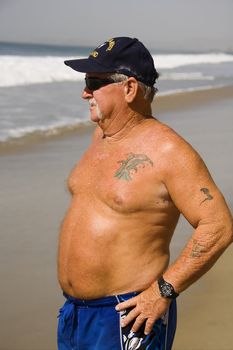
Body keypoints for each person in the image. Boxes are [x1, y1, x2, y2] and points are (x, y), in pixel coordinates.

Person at [57, 37, 232, 350]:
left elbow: (218, 226)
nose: (85, 92)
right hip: (74, 316)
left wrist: (163, 291)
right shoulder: (101, 135)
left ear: (129, 88)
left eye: (94, 82)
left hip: (128, 316)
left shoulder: (168, 151)